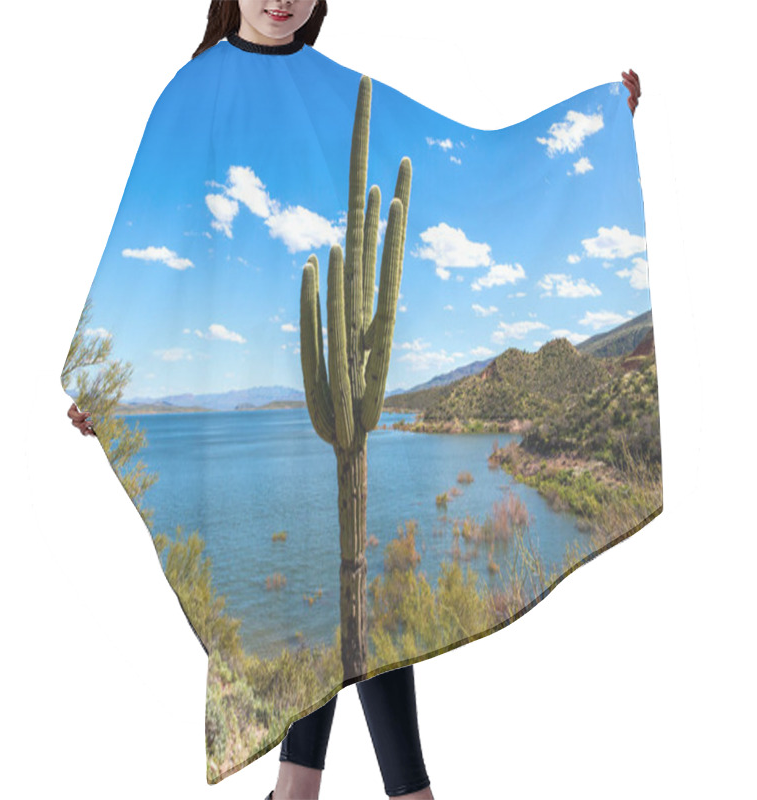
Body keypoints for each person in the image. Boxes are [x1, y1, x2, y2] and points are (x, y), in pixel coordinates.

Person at [66, 2, 642, 798]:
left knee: (358, 598)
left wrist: (599, 122)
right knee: (335, 608)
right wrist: (110, 384)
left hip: (349, 400)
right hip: (306, 386)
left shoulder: (340, 86)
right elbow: (143, 245)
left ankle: (319, 790)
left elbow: (474, 157)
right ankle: (365, 791)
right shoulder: (192, 89)